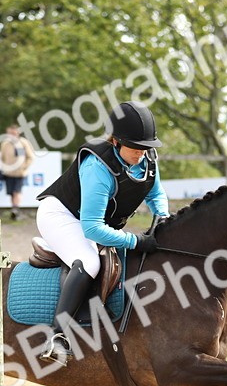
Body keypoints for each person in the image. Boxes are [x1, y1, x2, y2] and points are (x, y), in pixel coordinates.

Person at [35, 100, 170, 366]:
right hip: (61, 216)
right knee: (90, 262)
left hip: (89, 222)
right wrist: (135, 240)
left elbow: (156, 193)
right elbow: (93, 228)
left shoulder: (147, 159)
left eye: (147, 147)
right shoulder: (97, 167)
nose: (142, 153)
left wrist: (162, 217)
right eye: (136, 147)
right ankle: (57, 335)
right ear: (116, 141)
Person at [0, 123, 34, 221]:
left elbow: (30, 157)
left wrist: (23, 167)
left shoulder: (23, 143)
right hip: (9, 173)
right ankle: (14, 209)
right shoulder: (5, 144)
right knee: (11, 192)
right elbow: (2, 158)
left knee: (17, 191)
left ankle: (15, 209)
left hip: (19, 173)